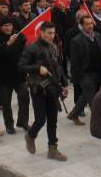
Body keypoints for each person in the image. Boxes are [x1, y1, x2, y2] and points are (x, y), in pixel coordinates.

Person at [19, 20, 69, 161]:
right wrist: (37, 68)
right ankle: (31, 135)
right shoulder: (32, 48)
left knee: (53, 120)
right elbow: (22, 66)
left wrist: (64, 84)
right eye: (48, 33)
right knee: (41, 119)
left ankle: (52, 149)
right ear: (41, 32)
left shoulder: (54, 47)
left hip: (53, 88)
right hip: (38, 89)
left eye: (53, 33)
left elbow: (58, 67)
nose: (51, 36)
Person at [67, 13, 101, 126]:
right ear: (82, 26)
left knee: (85, 95)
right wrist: (79, 77)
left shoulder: (98, 36)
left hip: (98, 72)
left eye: (91, 23)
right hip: (85, 74)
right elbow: (74, 61)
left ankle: (73, 114)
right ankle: (100, 123)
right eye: (87, 24)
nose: (90, 26)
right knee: (93, 99)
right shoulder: (76, 40)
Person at [0, 16, 30, 134]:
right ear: (1, 27)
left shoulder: (19, 36)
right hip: (3, 76)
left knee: (24, 97)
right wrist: (8, 43)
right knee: (6, 102)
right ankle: (9, 125)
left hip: (19, 74)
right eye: (5, 26)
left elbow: (25, 52)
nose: (8, 28)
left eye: (10, 25)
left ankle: (23, 121)